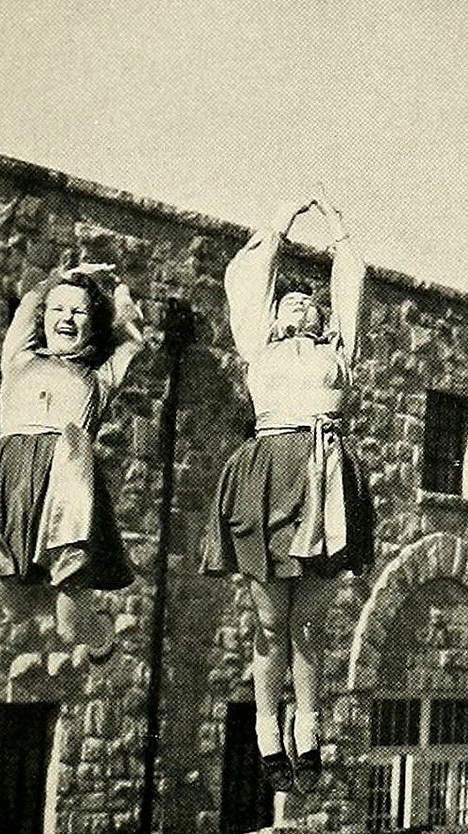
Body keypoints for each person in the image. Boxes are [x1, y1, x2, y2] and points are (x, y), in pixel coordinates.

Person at [201, 191, 372, 795]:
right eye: (288, 301)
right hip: (269, 475)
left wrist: (339, 234)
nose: (301, 306)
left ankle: (308, 726)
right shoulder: (259, 348)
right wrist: (279, 225)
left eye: (310, 302)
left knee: (308, 624)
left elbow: (352, 287)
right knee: (272, 621)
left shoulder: (338, 352)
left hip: (327, 478)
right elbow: (249, 280)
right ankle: (268, 729)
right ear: (274, 315)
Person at [0, 262, 145, 665]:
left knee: (70, 630)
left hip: (68, 489)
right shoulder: (18, 358)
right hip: (12, 483)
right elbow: (28, 305)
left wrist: (120, 294)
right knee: (15, 609)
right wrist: (59, 277)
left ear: (92, 324)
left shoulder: (99, 378)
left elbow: (130, 340)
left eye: (78, 311)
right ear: (44, 318)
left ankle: (101, 635)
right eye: (58, 309)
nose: (67, 318)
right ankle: (49, 588)